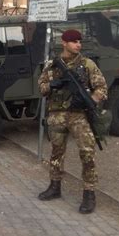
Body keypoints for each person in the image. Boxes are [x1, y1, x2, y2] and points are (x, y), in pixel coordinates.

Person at [37, 29, 108, 214]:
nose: (78, 44)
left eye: (79, 41)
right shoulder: (53, 66)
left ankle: (89, 194)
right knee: (56, 153)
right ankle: (54, 186)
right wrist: (51, 85)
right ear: (64, 43)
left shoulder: (87, 65)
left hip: (79, 116)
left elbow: (102, 87)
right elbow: (41, 87)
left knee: (87, 154)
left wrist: (91, 99)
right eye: (74, 41)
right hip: (57, 115)